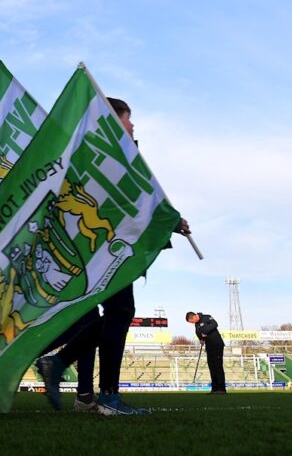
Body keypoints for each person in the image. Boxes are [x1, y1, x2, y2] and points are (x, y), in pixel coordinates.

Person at [37, 97, 191, 415]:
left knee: (110, 314)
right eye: (128, 118)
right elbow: (130, 200)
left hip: (100, 249)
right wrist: (168, 221)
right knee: (119, 312)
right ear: (112, 119)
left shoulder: (102, 151)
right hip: (107, 249)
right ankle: (105, 394)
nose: (132, 125)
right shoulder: (112, 154)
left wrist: (168, 221)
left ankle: (66, 369)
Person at [187, 311, 226, 394]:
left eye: (191, 321)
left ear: (193, 317)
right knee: (211, 367)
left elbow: (214, 324)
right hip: (209, 346)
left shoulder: (206, 317)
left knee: (218, 366)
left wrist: (204, 331)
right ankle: (214, 388)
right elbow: (198, 333)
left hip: (217, 344)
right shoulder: (196, 325)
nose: (192, 323)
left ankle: (221, 389)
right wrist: (201, 339)